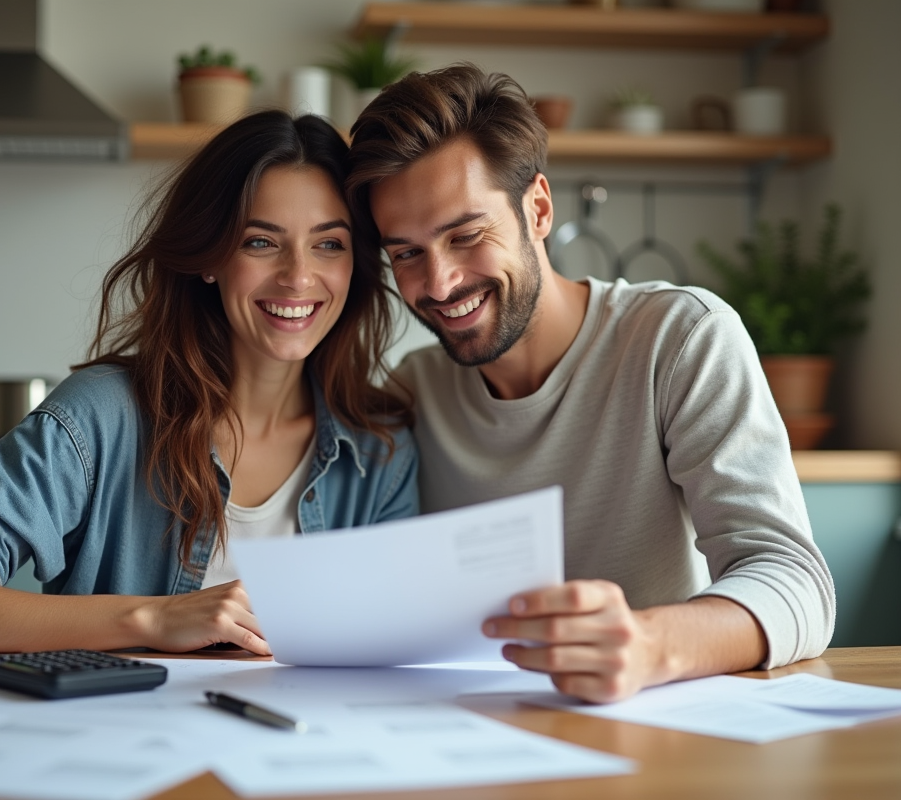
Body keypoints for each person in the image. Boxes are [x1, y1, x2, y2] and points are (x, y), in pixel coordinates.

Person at [345, 64, 835, 703]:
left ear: (539, 209)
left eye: (466, 236)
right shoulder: (415, 393)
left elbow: (795, 581)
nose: (438, 283)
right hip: (479, 735)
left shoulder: (678, 339)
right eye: (406, 253)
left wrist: (649, 644)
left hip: (662, 737)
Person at [0, 110, 417, 655]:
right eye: (260, 241)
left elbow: (401, 641)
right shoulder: (101, 419)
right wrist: (150, 618)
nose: (298, 276)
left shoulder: (381, 450)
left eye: (329, 243)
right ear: (211, 257)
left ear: (355, 265)